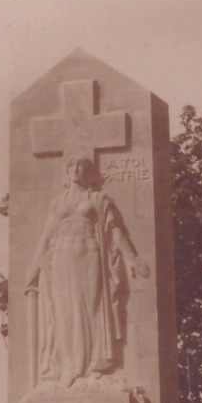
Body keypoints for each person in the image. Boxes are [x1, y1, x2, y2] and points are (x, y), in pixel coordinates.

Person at [25, 156, 150, 387]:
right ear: (67, 172)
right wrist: (34, 267)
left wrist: (131, 259)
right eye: (71, 167)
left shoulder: (99, 199)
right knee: (64, 313)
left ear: (88, 172)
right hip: (61, 259)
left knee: (91, 309)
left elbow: (115, 231)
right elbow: (47, 235)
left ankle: (94, 364)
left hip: (90, 255)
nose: (75, 170)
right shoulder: (57, 203)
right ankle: (69, 367)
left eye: (80, 167)